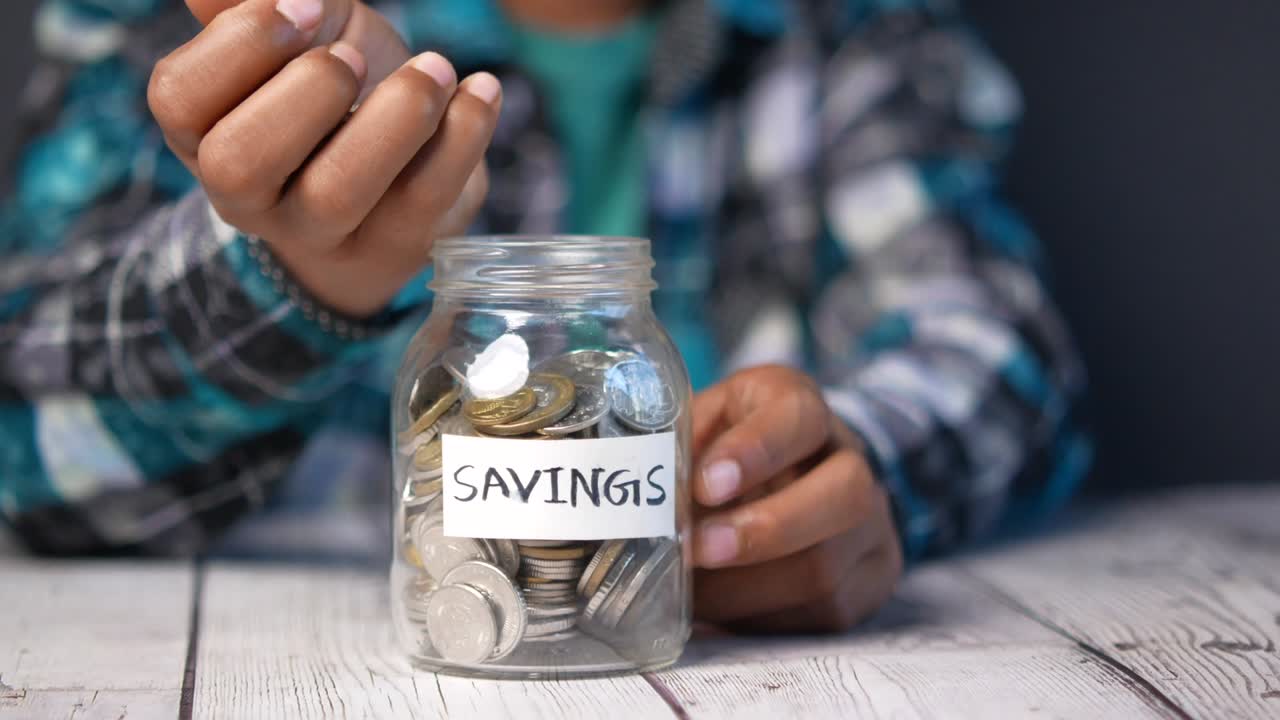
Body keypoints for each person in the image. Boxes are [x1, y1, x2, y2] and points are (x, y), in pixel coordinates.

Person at [0, 0, 1088, 632]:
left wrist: (846, 471)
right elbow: (26, 450)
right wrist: (291, 280)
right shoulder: (211, 24)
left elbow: (993, 348)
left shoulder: (850, 32)